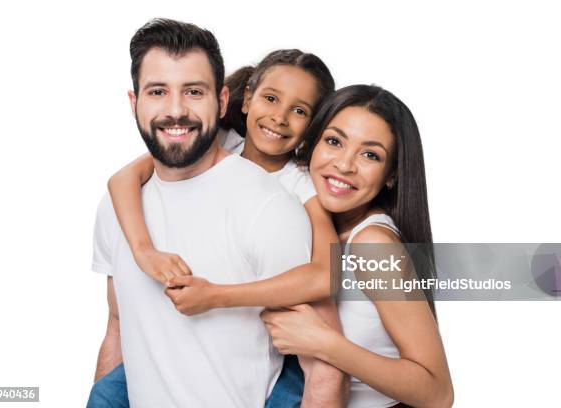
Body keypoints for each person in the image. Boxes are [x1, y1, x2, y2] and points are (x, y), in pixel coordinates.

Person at [88, 18, 332, 407]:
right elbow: (118, 324)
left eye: (193, 91)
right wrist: (142, 249)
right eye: (157, 91)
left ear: (218, 101)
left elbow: (324, 285)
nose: (176, 110)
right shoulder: (205, 147)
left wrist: (217, 296)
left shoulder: (291, 194)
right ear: (244, 99)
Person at [261, 85, 455, 407]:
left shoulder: (372, 245)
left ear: (391, 175)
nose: (345, 165)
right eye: (334, 141)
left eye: (370, 155)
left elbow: (437, 393)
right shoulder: (306, 221)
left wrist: (324, 343)